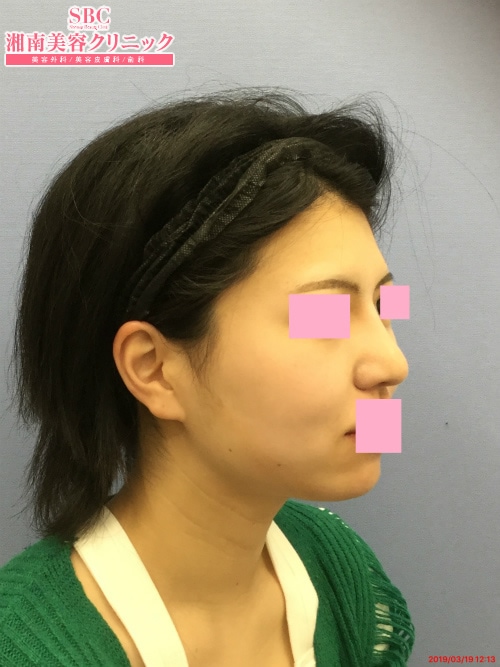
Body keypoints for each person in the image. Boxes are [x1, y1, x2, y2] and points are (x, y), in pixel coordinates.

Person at [1, 86, 415, 666]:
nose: (392, 364)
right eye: (326, 316)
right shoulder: (26, 648)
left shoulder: (338, 569)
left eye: (383, 308)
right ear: (154, 369)